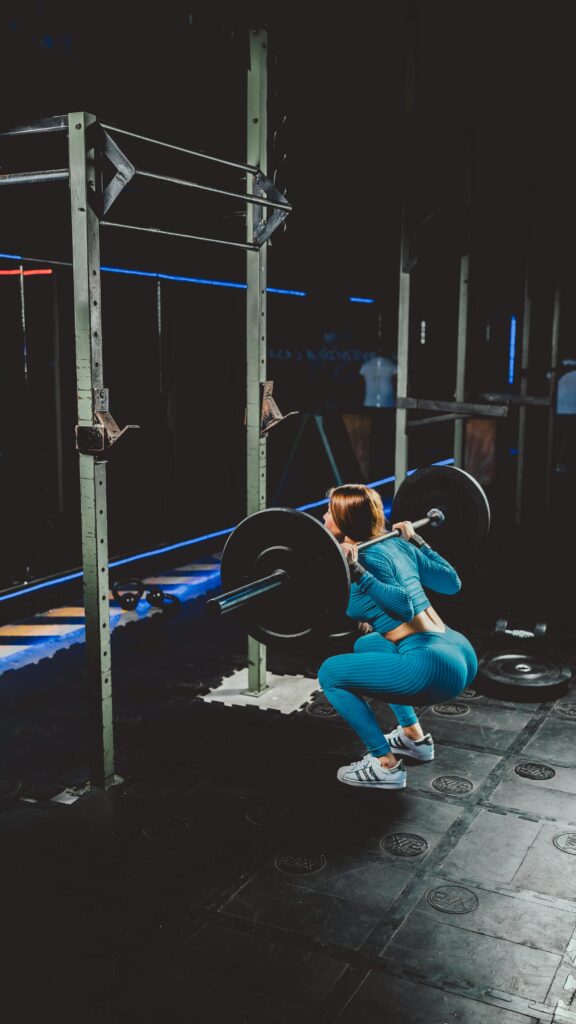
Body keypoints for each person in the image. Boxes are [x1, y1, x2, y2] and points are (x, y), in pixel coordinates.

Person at [318, 484, 478, 790]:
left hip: (430, 667)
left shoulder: (364, 559)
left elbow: (402, 607)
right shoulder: (396, 544)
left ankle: (385, 765)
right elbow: (452, 583)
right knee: (367, 644)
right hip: (457, 650)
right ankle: (413, 737)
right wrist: (417, 540)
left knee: (330, 673)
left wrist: (357, 571)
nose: (324, 516)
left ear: (344, 519)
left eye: (329, 512)